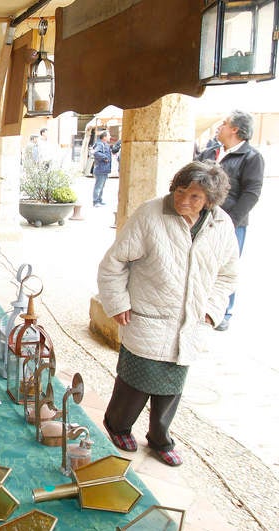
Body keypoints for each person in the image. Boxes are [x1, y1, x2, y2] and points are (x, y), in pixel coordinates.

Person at [97, 161, 238, 467]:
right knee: (135, 381)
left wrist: (212, 310)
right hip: (148, 314)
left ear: (210, 201)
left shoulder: (222, 225)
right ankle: (117, 424)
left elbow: (228, 275)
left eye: (195, 197)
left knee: (172, 386)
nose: (183, 200)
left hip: (190, 321)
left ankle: (160, 438)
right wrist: (118, 302)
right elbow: (114, 263)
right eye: (180, 190)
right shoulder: (151, 214)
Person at [196, 110, 264, 331]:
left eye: (224, 124)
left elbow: (251, 193)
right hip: (202, 218)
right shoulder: (211, 152)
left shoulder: (251, 158)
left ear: (235, 129)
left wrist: (232, 221)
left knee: (226, 266)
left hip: (231, 222)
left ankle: (222, 311)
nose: (219, 127)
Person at [92, 130, 113, 207]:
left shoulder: (105, 144)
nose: (110, 137)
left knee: (102, 186)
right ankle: (95, 201)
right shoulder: (100, 144)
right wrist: (105, 157)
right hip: (100, 169)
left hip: (104, 169)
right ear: (104, 137)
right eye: (108, 135)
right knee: (98, 186)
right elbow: (96, 153)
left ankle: (99, 200)